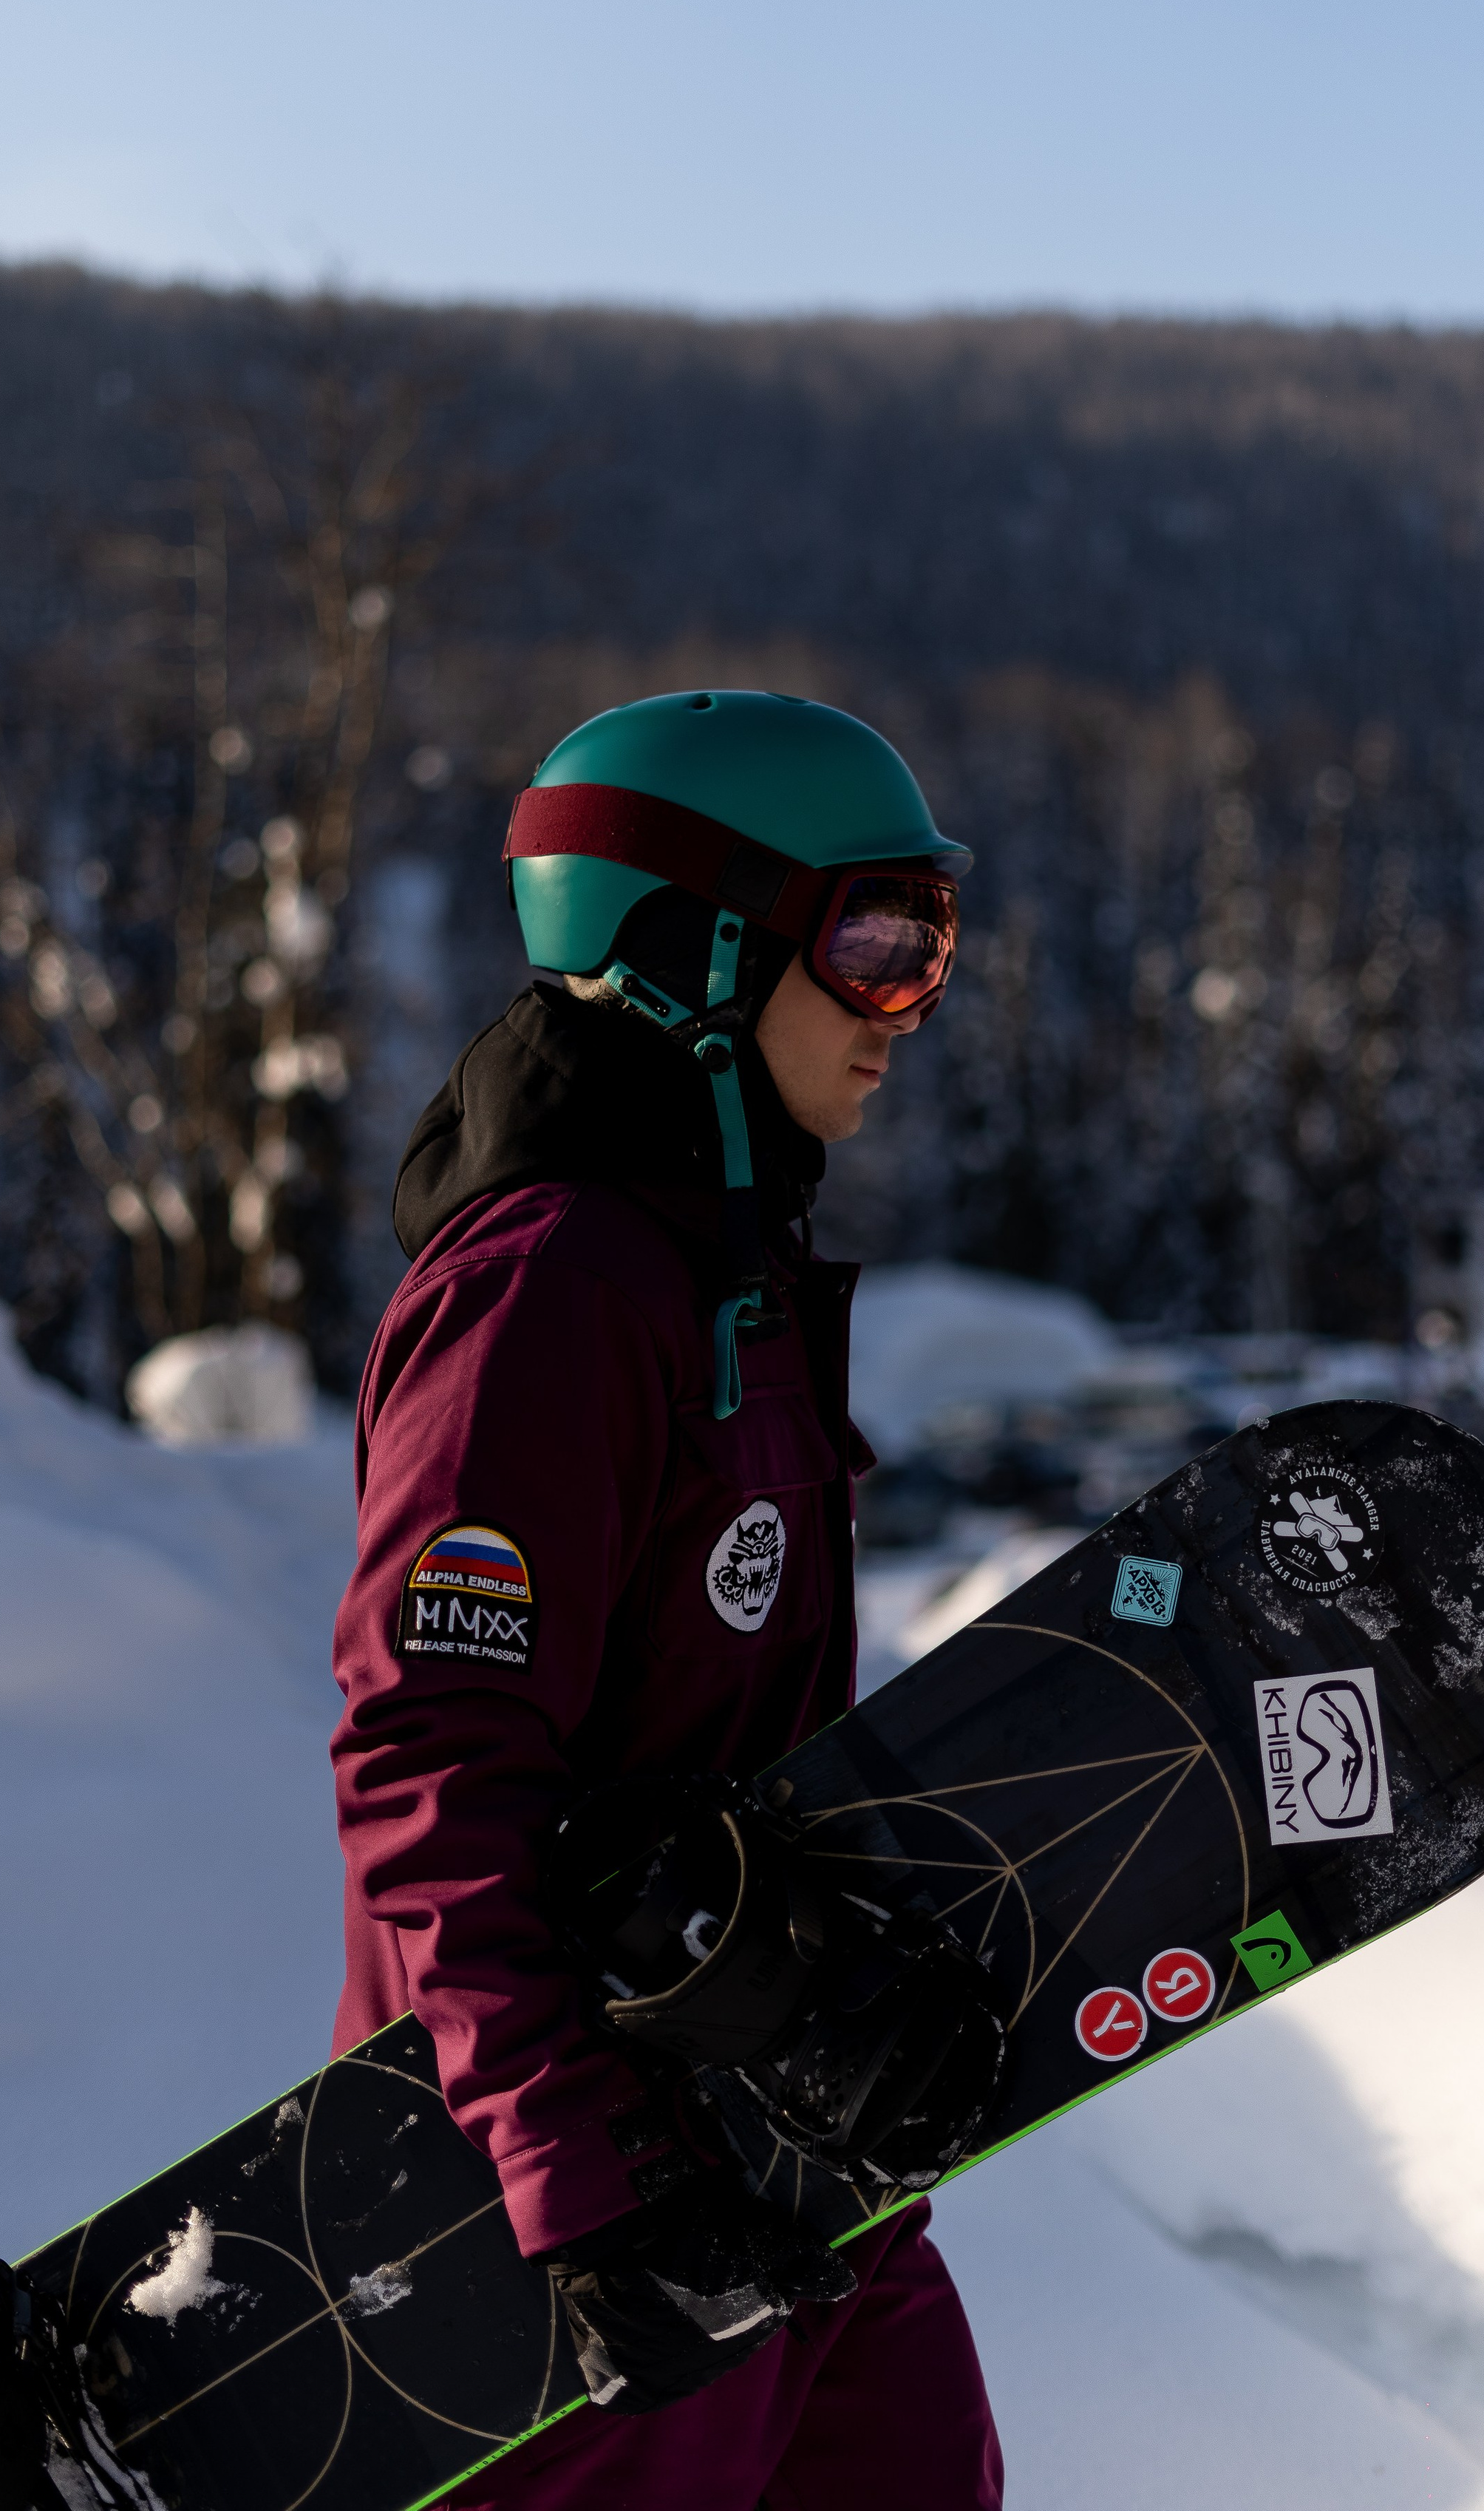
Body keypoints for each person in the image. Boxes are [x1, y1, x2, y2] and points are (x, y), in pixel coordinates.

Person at [329, 688, 1003, 2510]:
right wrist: (566, 2163)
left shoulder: (730, 1268)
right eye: (873, 941)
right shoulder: (549, 1292)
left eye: (926, 947)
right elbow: (430, 1753)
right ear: (698, 952)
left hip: (785, 2147)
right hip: (578, 2189)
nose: (907, 1007)